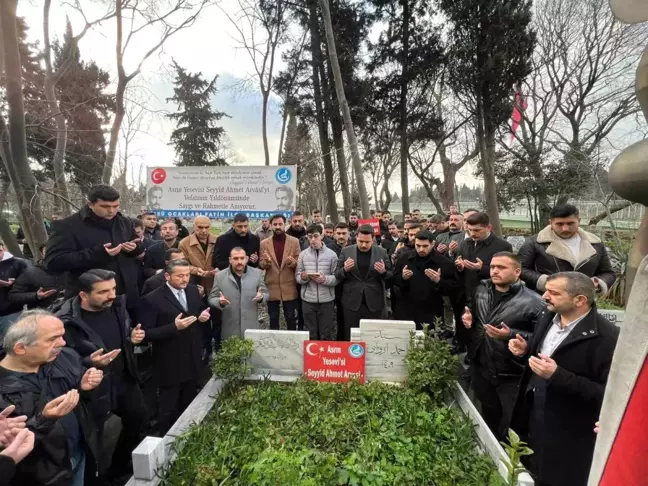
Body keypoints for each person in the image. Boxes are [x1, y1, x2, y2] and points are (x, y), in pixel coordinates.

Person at [509, 272, 619, 486]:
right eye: (546, 290)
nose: (544, 296)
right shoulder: (548, 316)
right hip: (536, 415)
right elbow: (546, 351)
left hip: (569, 433)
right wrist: (526, 350)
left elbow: (609, 394)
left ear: (580, 300)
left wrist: (558, 376)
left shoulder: (607, 338)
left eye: (554, 292)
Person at [55, 269, 147, 481]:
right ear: (83, 295)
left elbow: (123, 334)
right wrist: (89, 363)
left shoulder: (117, 307)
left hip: (123, 379)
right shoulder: (65, 322)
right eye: (103, 292)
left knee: (138, 419)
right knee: (92, 439)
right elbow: (58, 361)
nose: (112, 295)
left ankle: (118, 467)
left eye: (113, 289)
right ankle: (93, 477)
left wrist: (132, 337)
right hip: (92, 390)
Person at [0, 310, 104, 485]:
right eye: (52, 339)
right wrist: (44, 419)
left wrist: (84, 387)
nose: (62, 343)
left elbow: (80, 395)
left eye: (62, 336)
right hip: (44, 476)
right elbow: (10, 451)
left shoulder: (61, 358)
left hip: (78, 453)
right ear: (20, 348)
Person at [461, 252, 546, 439]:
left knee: (511, 422)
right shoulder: (482, 289)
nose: (495, 271)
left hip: (510, 372)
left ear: (517, 272)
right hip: (482, 364)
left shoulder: (535, 302)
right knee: (488, 412)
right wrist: (469, 318)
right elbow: (475, 314)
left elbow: (543, 339)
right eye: (492, 267)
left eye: (501, 267)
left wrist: (511, 334)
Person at [140, 260, 210, 435]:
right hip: (169, 362)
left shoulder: (193, 291)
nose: (185, 279)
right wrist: (174, 328)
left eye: (187, 275)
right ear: (167, 276)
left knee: (190, 401)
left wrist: (202, 316)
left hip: (193, 358)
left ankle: (188, 436)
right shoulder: (152, 299)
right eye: (179, 275)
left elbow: (198, 311)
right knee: (168, 408)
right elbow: (146, 334)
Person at [45, 185, 143, 306]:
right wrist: (99, 253)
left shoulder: (125, 222)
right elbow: (53, 262)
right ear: (90, 204)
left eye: (115, 206)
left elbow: (138, 246)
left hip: (127, 297)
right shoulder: (66, 226)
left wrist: (134, 249)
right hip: (90, 299)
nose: (111, 211)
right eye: (105, 206)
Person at [518, 204, 616, 295]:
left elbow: (608, 273)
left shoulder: (595, 243)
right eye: (559, 224)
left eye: (570, 223)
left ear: (579, 221)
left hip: (582, 302)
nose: (565, 228)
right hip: (544, 301)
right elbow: (520, 269)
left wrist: (596, 284)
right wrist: (546, 281)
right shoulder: (534, 243)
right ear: (550, 223)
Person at [451, 212, 512, 355]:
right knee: (466, 326)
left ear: (489, 227)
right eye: (470, 230)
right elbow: (460, 269)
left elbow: (507, 273)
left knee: (483, 331)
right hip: (466, 293)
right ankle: (468, 353)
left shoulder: (502, 246)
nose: (473, 234)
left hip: (489, 296)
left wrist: (482, 269)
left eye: (477, 230)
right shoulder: (465, 244)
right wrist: (459, 267)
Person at [391, 230, 459, 329]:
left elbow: (453, 288)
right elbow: (394, 281)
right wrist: (403, 278)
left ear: (433, 244)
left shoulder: (445, 263)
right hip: (406, 310)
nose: (421, 249)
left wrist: (438, 281)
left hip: (431, 311)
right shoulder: (404, 258)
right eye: (418, 245)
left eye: (425, 246)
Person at [335, 225, 392, 340]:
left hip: (373, 302)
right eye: (361, 241)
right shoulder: (346, 251)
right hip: (351, 301)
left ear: (373, 240)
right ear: (356, 237)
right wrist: (345, 269)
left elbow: (391, 276)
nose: (364, 245)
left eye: (367, 242)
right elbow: (337, 274)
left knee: (371, 336)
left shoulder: (381, 252)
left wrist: (383, 272)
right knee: (350, 335)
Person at [209, 248, 268, 340]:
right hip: (230, 327)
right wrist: (219, 302)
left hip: (251, 326)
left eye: (242, 258)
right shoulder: (220, 276)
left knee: (251, 353)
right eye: (236, 258)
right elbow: (212, 298)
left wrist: (261, 297)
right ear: (230, 260)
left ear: (247, 259)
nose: (239, 261)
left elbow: (265, 293)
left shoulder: (257, 273)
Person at [296, 225, 338, 340]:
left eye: (316, 236)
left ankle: (325, 358)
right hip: (308, 300)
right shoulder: (303, 255)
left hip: (326, 301)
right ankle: (312, 357)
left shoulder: (332, 255)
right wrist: (304, 277)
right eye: (310, 237)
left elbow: (337, 278)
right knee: (311, 334)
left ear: (322, 236)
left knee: (325, 334)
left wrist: (325, 279)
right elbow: (297, 277)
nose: (313, 239)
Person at [259, 215, 300, 331]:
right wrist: (266, 262)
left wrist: (293, 263)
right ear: (271, 225)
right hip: (271, 286)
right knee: (273, 317)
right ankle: (274, 345)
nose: (278, 227)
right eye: (275, 224)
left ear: (285, 225)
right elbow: (261, 265)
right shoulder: (264, 243)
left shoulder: (294, 242)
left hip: (289, 285)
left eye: (280, 224)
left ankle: (293, 344)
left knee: (291, 317)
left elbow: (300, 264)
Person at [9, 244, 65, 311]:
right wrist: (36, 295)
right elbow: (13, 296)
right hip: (44, 314)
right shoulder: (30, 273)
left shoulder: (72, 269)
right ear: (42, 254)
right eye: (48, 251)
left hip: (71, 313)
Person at [179, 216, 218, 294]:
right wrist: (195, 270)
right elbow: (182, 264)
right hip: (194, 282)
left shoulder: (218, 240)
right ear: (194, 226)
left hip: (215, 282)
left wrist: (218, 269)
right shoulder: (184, 243)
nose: (204, 230)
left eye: (206, 227)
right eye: (200, 227)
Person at [0, 242, 30, 332]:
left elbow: (28, 283)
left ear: (4, 248)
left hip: (11, 310)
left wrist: (12, 284)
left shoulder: (18, 263)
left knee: (14, 338)